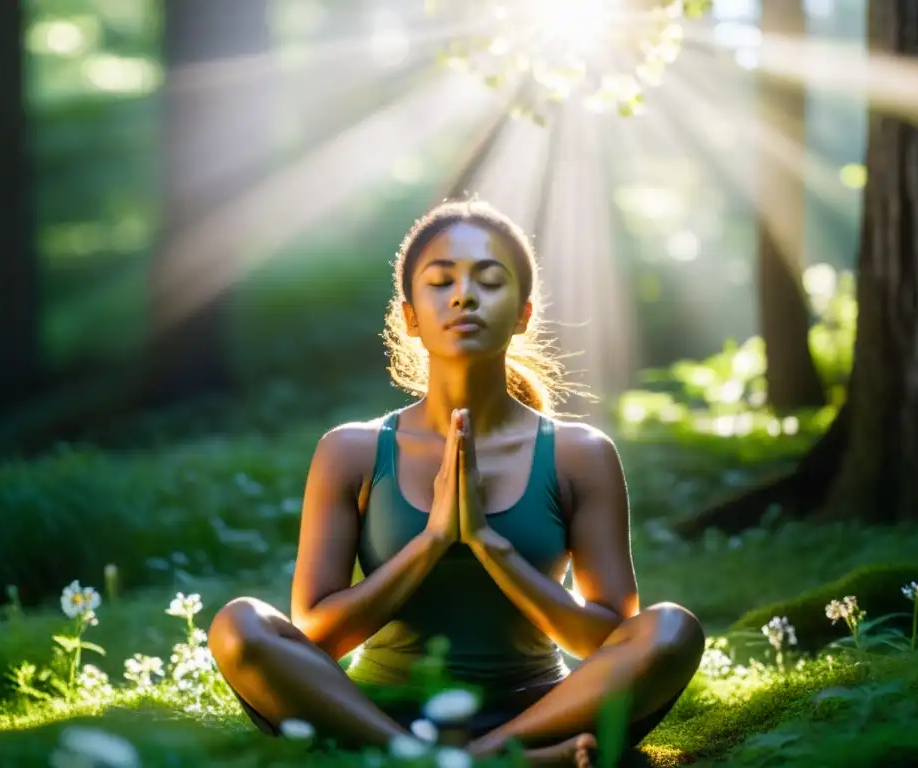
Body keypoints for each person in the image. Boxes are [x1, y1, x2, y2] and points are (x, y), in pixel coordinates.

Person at [208, 199, 705, 765]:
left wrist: (492, 547)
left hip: (539, 712)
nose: (464, 296)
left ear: (523, 313)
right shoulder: (351, 451)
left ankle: (474, 756)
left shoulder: (579, 454)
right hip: (381, 712)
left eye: (490, 282)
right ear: (411, 316)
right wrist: (432, 542)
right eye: (441, 282)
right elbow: (317, 635)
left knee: (670, 630)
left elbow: (607, 639)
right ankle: (456, 760)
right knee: (239, 625)